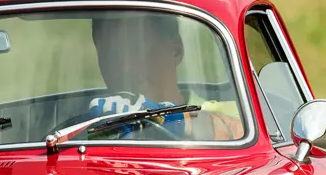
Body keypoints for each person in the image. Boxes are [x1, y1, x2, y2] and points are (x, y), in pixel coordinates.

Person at [88, 14, 244, 140]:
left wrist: (173, 120)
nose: (126, 67)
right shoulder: (85, 125)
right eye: (112, 55)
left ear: (176, 50)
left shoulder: (236, 113)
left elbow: (246, 139)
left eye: (138, 49)